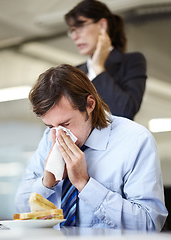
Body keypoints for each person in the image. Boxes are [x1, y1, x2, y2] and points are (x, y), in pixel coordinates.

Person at [15, 64, 167, 231]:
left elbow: (149, 225)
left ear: (90, 104)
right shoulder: (48, 139)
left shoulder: (136, 141)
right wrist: (46, 184)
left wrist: (84, 184)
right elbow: (20, 209)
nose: (59, 134)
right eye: (50, 126)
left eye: (66, 124)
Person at [64, 0, 147, 120]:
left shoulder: (132, 61)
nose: (75, 36)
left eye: (81, 26)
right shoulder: (75, 72)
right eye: (72, 30)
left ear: (102, 25)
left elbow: (126, 111)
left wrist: (98, 67)